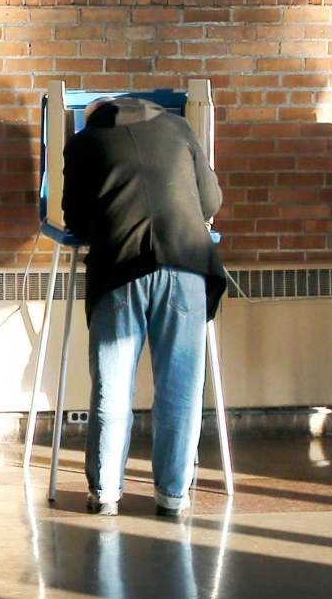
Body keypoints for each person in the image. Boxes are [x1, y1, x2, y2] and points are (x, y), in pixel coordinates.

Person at [60, 96, 227, 515]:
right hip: (186, 264)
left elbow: (76, 221)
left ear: (92, 116)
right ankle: (173, 495)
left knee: (113, 388)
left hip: (120, 270)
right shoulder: (179, 129)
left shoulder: (83, 144)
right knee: (180, 388)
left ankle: (106, 493)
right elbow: (211, 202)